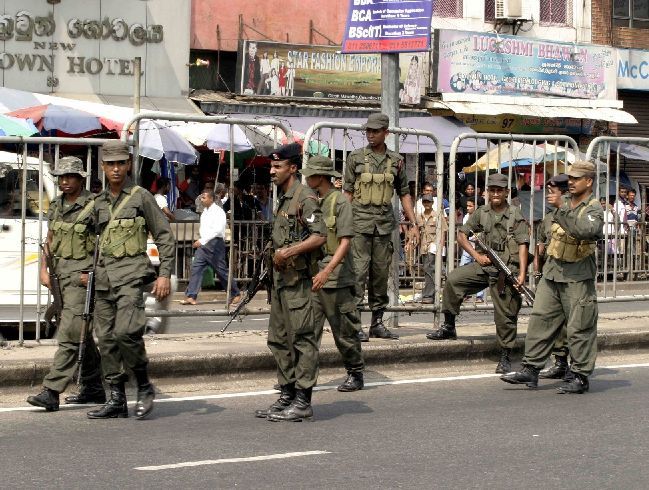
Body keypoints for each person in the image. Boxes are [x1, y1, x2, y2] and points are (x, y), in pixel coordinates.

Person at [87, 140, 175, 420]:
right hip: (103, 280)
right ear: (102, 167)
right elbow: (86, 240)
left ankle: (144, 385)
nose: (115, 169)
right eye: (110, 164)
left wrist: (164, 274)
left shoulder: (141, 197)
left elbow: (164, 235)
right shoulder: (97, 203)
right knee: (107, 339)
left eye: (120, 163)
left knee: (127, 333)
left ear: (128, 165)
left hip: (130, 277)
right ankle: (116, 398)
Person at [501, 161, 604, 394]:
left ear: (588, 181)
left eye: (576, 178)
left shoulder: (593, 209)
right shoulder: (563, 204)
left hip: (577, 276)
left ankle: (579, 375)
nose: (571, 182)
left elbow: (585, 231)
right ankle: (531, 368)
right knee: (540, 319)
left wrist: (562, 209)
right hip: (553, 273)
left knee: (580, 327)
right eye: (570, 178)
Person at [427, 173, 530, 374]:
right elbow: (462, 235)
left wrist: (522, 275)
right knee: (455, 280)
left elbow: (523, 245)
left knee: (505, 314)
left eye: (499, 190)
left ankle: (506, 355)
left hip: (506, 269)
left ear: (507, 192)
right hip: (485, 265)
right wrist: (476, 255)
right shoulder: (481, 212)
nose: (495, 194)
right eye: (492, 190)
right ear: (486, 192)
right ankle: (449, 327)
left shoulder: (515, 215)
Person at [27, 157, 105, 412]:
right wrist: (42, 269)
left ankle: (51, 391)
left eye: (70, 176)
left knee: (71, 332)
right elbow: (50, 239)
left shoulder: (95, 206)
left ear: (81, 178)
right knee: (79, 332)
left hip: (82, 278)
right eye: (61, 177)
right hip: (60, 277)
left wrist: (95, 274)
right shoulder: (57, 205)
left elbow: (106, 244)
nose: (64, 181)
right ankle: (94, 387)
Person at [255, 143, 326, 422]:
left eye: (277, 167)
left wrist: (289, 252)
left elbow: (319, 235)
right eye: (271, 167)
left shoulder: (304, 197)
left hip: (299, 283)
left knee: (303, 340)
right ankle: (286, 395)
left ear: (292, 168)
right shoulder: (284, 198)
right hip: (282, 284)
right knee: (279, 340)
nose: (272, 171)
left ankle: (302, 400)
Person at [343, 113, 419, 341]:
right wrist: (338, 223)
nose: (370, 135)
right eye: (368, 131)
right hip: (359, 225)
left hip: (384, 226)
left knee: (380, 275)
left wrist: (413, 223)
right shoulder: (355, 158)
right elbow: (346, 193)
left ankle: (377, 323)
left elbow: (404, 193)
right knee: (357, 274)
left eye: (375, 131)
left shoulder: (396, 161)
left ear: (386, 132)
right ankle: (354, 325)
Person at [303, 155, 365, 392]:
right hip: (314, 275)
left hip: (336, 278)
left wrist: (327, 272)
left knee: (344, 332)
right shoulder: (313, 201)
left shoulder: (339, 202)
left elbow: (345, 241)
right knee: (307, 331)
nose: (307, 177)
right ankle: (303, 379)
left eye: (311, 174)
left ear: (320, 177)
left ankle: (355, 372)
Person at [534, 174, 570, 380]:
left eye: (552, 191)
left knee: (570, 322)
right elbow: (540, 247)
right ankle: (559, 362)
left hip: (569, 275)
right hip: (549, 274)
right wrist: (538, 272)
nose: (548, 195)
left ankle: (572, 365)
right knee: (549, 320)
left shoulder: (575, 215)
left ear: (564, 193)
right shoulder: (547, 219)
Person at [181, 188, 241, 306]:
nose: (202, 200)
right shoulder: (205, 212)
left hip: (215, 244)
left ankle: (235, 293)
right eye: (201, 197)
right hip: (204, 245)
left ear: (211, 199)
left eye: (204, 197)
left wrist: (202, 240)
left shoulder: (218, 211)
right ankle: (191, 296)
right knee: (196, 267)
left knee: (221, 270)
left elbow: (217, 230)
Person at [415, 193, 448, 304]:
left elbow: (443, 231)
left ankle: (429, 294)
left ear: (432, 203)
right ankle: (433, 293)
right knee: (431, 270)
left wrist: (441, 246)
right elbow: (417, 232)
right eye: (425, 202)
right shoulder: (419, 216)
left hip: (434, 246)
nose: (426, 204)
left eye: (428, 201)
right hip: (424, 247)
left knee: (432, 270)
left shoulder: (437, 215)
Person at [458, 198, 485, 302]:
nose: (468, 208)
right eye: (467, 206)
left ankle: (479, 296)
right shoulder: (466, 217)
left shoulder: (480, 217)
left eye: (470, 206)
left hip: (477, 247)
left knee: (478, 271)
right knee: (463, 269)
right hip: (468, 247)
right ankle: (465, 293)